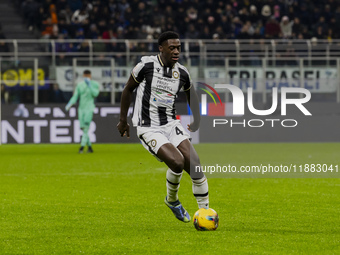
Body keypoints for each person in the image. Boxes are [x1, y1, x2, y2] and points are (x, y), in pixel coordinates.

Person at [117, 31, 209, 223]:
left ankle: (205, 214)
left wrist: (197, 119)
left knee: (195, 164)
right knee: (176, 162)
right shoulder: (146, 66)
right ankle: (172, 200)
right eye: (172, 48)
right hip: (148, 127)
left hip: (170, 123)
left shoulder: (182, 72)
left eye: (179, 48)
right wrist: (123, 120)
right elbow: (127, 90)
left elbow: (192, 95)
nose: (176, 51)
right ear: (161, 48)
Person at [65, 70, 99, 153]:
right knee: (84, 129)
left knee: (86, 128)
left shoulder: (95, 84)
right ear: (83, 76)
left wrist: (90, 86)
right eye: (85, 76)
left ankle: (81, 147)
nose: (86, 77)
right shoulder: (80, 85)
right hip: (81, 109)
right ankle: (90, 147)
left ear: (90, 76)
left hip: (89, 108)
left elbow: (95, 94)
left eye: (88, 76)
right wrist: (70, 103)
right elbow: (75, 96)